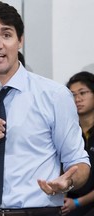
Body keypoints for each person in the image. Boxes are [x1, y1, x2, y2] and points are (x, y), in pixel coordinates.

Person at [0, 1, 90, 216]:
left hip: (38, 211)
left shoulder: (54, 95)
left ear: (20, 40)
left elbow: (78, 163)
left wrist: (67, 182)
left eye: (6, 34)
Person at [61, 71, 94, 216]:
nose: (77, 99)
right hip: (69, 201)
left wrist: (77, 203)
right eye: (73, 95)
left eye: (83, 93)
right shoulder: (69, 130)